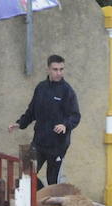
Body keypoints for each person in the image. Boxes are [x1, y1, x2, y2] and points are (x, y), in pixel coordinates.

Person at [7, 54, 80, 187]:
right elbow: (31, 111)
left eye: (61, 69)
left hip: (57, 145)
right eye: (55, 69)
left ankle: (52, 205)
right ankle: (39, 198)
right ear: (48, 69)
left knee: (53, 182)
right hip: (38, 142)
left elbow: (75, 116)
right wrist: (19, 123)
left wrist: (65, 125)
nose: (59, 73)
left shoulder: (67, 91)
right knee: (25, 175)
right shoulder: (41, 88)